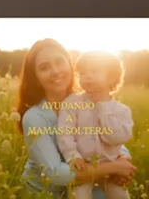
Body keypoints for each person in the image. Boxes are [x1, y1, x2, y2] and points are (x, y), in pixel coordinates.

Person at [17, 39, 136, 197]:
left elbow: (107, 135)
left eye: (60, 62)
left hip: (90, 181)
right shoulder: (34, 117)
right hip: (49, 192)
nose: (55, 71)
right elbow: (54, 173)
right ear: (36, 78)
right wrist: (114, 167)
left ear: (70, 65)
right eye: (44, 68)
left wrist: (123, 158)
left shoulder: (89, 99)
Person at [56, 51, 134, 199]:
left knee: (121, 196)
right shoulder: (72, 103)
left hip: (110, 167)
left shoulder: (122, 111)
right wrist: (73, 157)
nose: (88, 76)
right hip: (83, 166)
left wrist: (102, 106)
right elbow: (65, 132)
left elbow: (116, 138)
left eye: (95, 71)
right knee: (78, 196)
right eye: (83, 73)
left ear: (111, 77)